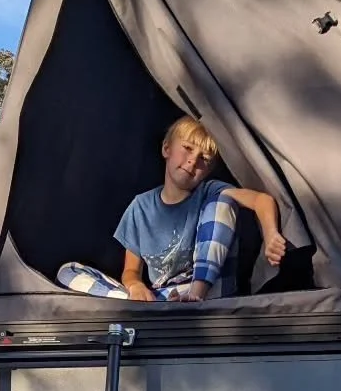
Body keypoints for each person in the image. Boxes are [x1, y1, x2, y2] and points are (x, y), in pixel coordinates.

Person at [58, 116, 287, 302]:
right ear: (166, 149)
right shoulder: (141, 207)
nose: (192, 161)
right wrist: (136, 287)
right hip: (165, 298)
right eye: (187, 149)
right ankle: (145, 307)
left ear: (208, 171)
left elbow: (261, 200)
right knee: (68, 271)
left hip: (212, 294)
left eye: (203, 159)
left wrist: (271, 234)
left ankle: (195, 294)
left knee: (223, 201)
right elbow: (131, 271)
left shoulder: (209, 191)